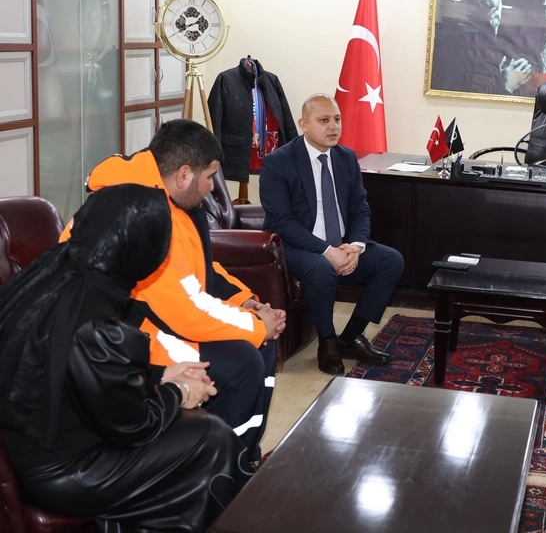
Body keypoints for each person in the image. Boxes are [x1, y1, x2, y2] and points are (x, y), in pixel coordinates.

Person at [0, 184, 252, 532]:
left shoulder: (56, 268)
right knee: (213, 437)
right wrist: (180, 391)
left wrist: (162, 374)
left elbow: (82, 370)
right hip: (66, 470)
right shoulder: (96, 320)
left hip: (33, 445)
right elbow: (133, 425)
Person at [68, 119, 286, 462]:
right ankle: (222, 467)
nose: (212, 187)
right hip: (121, 338)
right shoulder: (141, 214)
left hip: (158, 319)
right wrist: (257, 326)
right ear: (184, 174)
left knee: (260, 345)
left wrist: (247, 303)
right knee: (243, 361)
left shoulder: (174, 200)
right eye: (209, 176)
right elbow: (185, 310)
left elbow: (201, 269)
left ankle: (246, 455)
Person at [259, 94, 405, 375]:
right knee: (322, 269)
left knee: (391, 261)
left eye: (337, 119)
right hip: (297, 246)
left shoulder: (346, 157)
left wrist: (356, 247)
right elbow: (280, 221)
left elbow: (360, 208)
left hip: (341, 244)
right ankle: (327, 342)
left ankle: (350, 337)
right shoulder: (279, 161)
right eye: (324, 120)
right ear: (303, 124)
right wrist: (328, 251)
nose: (333, 126)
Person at [431, 0, 533, 95]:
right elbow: (471, 101)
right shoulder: (482, 52)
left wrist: (500, 76)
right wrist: (509, 86)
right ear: (495, 17)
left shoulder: (441, 42)